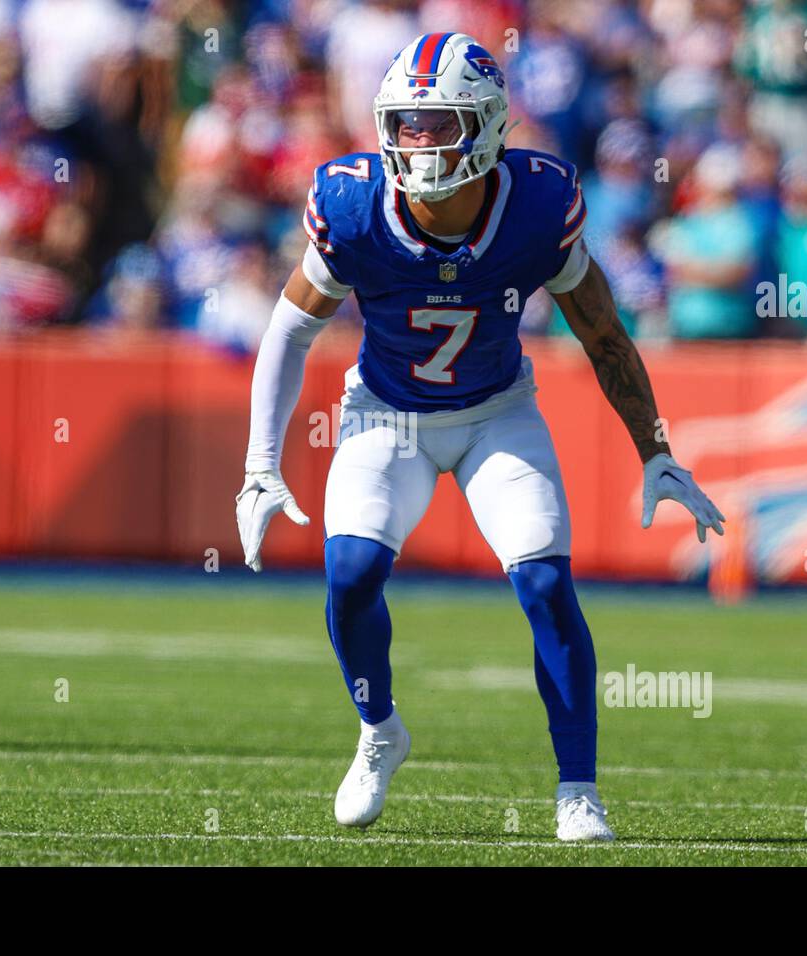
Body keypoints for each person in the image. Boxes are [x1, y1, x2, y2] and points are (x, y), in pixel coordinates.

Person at [235, 32, 724, 842]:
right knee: (351, 573)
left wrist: (656, 449)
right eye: (407, 122)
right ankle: (379, 729)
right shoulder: (354, 208)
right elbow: (287, 331)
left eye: (440, 122)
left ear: (489, 126)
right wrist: (260, 465)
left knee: (543, 586)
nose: (418, 142)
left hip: (497, 413)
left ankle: (578, 791)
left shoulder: (536, 206)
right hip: (385, 414)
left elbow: (602, 330)